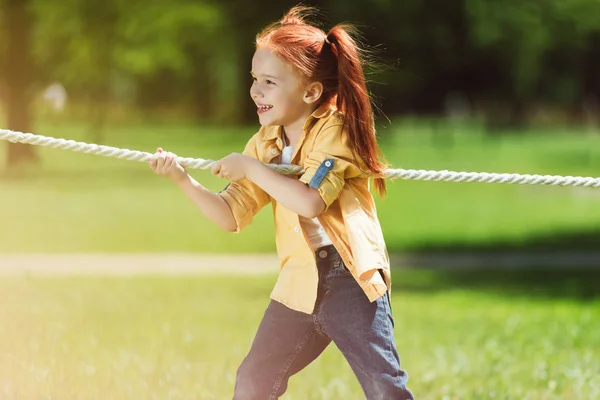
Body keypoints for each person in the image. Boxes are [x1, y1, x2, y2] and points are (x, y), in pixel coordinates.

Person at [149, 5, 414, 399]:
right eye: (254, 78)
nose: (256, 90)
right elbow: (230, 216)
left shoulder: (334, 128)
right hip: (299, 280)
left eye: (270, 81)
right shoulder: (264, 142)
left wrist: (252, 170)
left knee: (383, 387)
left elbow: (310, 202)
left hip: (350, 280)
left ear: (310, 91)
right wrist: (182, 179)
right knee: (254, 380)